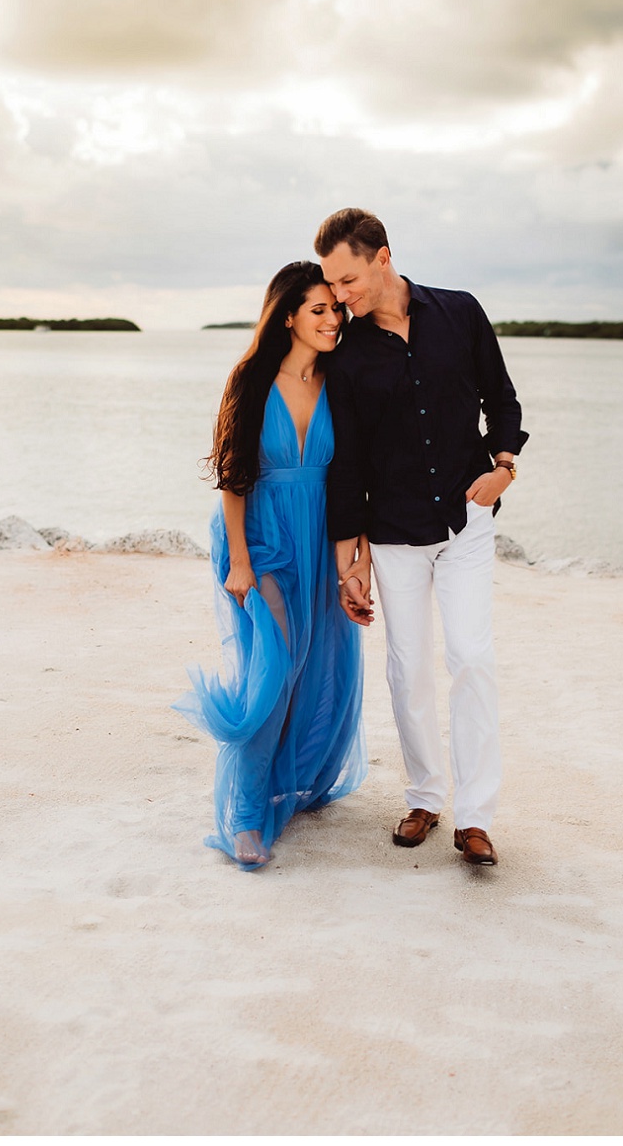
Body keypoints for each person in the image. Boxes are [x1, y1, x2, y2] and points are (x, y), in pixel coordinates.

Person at [316, 208, 526, 868]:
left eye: (348, 279)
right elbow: (346, 464)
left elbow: (503, 400)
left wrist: (504, 467)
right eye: (332, 285)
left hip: (466, 522)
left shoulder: (460, 312)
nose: (341, 296)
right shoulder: (346, 357)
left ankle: (476, 818)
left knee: (471, 657)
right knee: (407, 670)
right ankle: (426, 796)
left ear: (382, 257)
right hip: (395, 534)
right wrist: (349, 560)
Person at [178, 262, 369, 870]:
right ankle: (243, 815)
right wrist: (238, 560)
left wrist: (353, 556)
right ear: (287, 315)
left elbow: (353, 476)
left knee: (322, 665)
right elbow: (233, 477)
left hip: (318, 536)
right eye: (319, 310)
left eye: (335, 309)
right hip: (259, 537)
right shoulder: (253, 379)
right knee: (274, 669)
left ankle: (294, 779)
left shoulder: (341, 380)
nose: (332, 319)